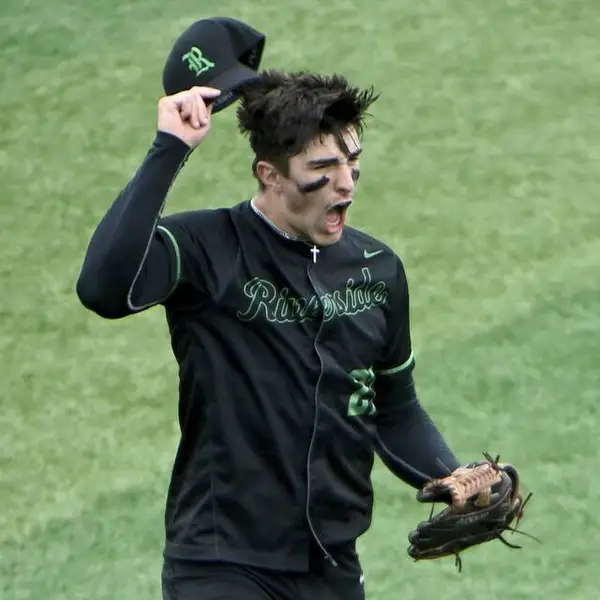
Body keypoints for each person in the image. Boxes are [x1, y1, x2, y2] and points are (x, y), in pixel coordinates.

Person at [76, 68, 462, 599]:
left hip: (331, 565)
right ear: (270, 175)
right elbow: (102, 288)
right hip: (222, 563)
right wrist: (170, 149)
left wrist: (454, 477)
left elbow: (395, 408)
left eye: (351, 162)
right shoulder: (206, 248)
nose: (346, 183)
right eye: (322, 168)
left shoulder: (377, 270)